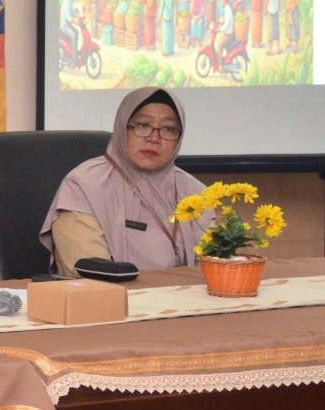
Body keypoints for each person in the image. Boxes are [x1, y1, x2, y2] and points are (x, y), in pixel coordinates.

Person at [40, 87, 209, 277]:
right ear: (122, 128)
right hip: (111, 295)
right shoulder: (83, 186)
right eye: (142, 125)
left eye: (168, 129)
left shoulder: (194, 191)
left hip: (187, 295)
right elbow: (92, 276)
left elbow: (218, 267)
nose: (154, 138)